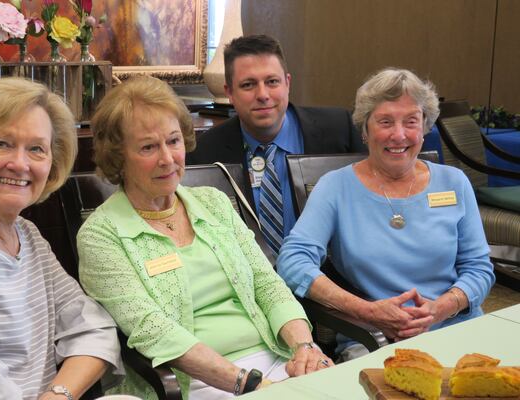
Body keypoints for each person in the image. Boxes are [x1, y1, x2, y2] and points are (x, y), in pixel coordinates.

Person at [77, 75, 334, 400]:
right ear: (118, 157)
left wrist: (304, 348)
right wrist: (251, 384)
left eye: (173, 141)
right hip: (194, 381)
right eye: (147, 147)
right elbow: (153, 330)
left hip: (275, 359)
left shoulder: (214, 203)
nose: (167, 159)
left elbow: (266, 284)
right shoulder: (102, 235)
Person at [0, 78, 122, 400]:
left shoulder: (27, 236)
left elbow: (93, 328)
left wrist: (58, 393)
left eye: (36, 149)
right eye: (1, 143)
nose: (20, 164)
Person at [277, 68, 495, 361]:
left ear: (425, 127)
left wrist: (440, 308)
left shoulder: (454, 182)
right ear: (365, 130)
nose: (399, 134)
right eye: (385, 121)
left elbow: (479, 267)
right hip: (373, 337)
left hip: (458, 328)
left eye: (411, 121)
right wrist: (366, 311)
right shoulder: (335, 187)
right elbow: (293, 261)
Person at [187, 34, 365, 256]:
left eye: (272, 82)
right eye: (248, 85)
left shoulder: (339, 130)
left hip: (330, 274)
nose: (262, 95)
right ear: (230, 93)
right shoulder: (204, 150)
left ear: (287, 83)